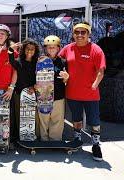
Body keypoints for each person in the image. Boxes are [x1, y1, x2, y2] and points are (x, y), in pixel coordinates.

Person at [58, 21, 106, 161]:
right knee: (76, 119)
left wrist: (95, 84)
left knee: (94, 121)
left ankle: (96, 145)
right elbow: (57, 61)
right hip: (72, 93)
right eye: (76, 32)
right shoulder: (68, 48)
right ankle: (77, 140)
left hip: (91, 94)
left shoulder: (96, 49)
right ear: (73, 34)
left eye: (83, 32)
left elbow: (101, 71)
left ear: (88, 34)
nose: (79, 35)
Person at [37, 35, 69, 141]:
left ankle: (55, 140)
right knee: (43, 118)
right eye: (49, 47)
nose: (51, 49)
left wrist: (66, 77)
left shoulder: (63, 62)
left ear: (58, 48)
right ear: (45, 48)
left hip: (59, 95)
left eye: (54, 47)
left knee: (57, 119)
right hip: (43, 95)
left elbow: (66, 80)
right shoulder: (39, 61)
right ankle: (43, 139)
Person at [8, 38, 40, 140]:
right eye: (27, 48)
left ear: (35, 51)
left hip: (33, 93)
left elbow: (41, 77)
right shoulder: (18, 62)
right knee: (20, 116)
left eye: (32, 49)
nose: (30, 51)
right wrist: (10, 50)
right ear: (23, 50)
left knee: (32, 116)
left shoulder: (38, 63)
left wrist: (34, 87)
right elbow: (11, 60)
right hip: (19, 93)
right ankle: (20, 137)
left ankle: (33, 136)